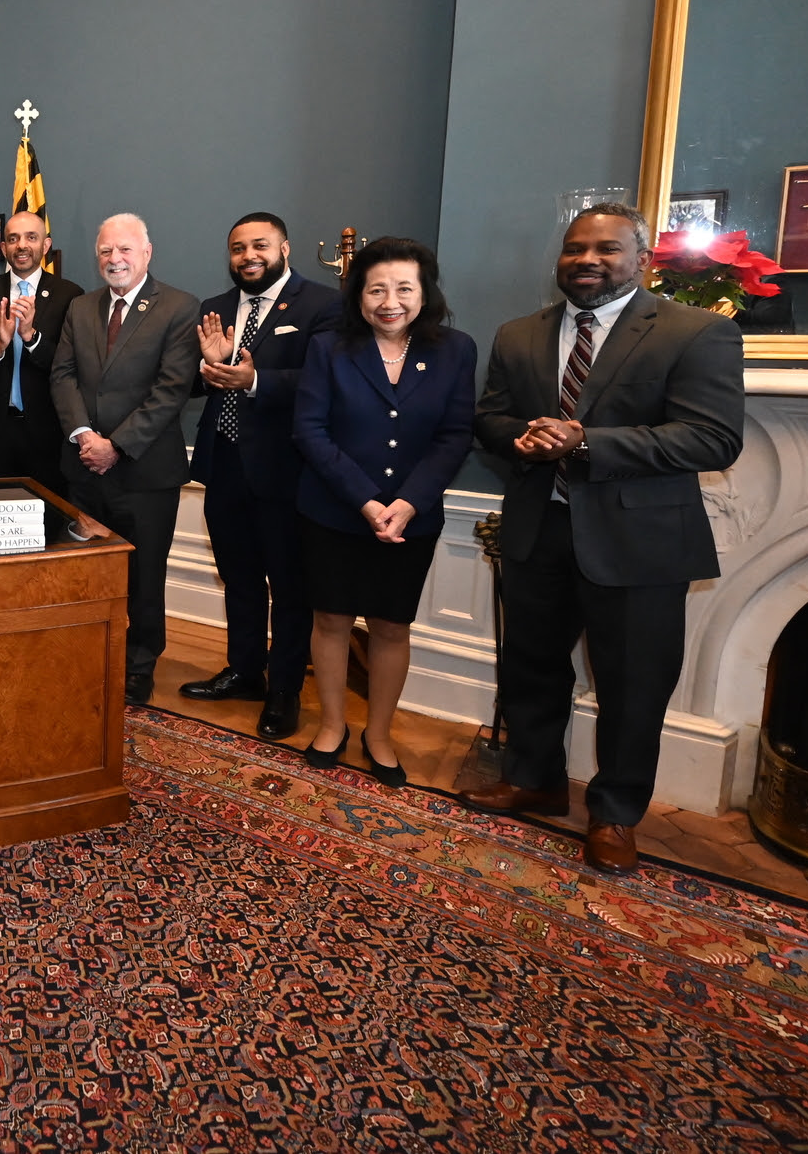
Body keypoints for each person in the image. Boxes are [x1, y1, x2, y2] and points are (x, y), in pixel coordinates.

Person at [463, 203, 744, 874]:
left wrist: (587, 439)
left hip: (637, 542)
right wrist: (524, 440)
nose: (587, 259)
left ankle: (616, 814)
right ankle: (535, 777)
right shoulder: (518, 334)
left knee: (632, 683)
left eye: (607, 248)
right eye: (574, 248)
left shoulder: (694, 332)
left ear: (641, 259)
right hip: (540, 527)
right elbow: (490, 419)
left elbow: (713, 436)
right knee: (531, 666)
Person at [290, 238, 476, 787]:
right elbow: (310, 431)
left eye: (403, 288)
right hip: (333, 512)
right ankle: (331, 725)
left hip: (411, 518)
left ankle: (379, 733)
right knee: (330, 619)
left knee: (392, 625)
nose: (389, 300)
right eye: (376, 289)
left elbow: (454, 434)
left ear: (425, 293)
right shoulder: (328, 348)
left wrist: (407, 503)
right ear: (359, 294)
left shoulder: (456, 349)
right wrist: (366, 501)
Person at [182, 212, 342, 739]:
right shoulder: (215, 309)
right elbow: (195, 382)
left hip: (287, 471)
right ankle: (245, 671)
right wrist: (210, 369)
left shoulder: (322, 304)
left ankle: (284, 691)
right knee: (239, 578)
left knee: (288, 587)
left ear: (285, 248)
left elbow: (329, 379)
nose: (248, 256)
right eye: (237, 248)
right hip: (223, 464)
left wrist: (256, 380)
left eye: (259, 246)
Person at [49, 214, 201, 706]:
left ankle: (138, 667)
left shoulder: (179, 308)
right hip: (84, 468)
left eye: (125, 250)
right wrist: (84, 436)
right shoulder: (80, 307)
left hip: (145, 472)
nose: (114, 259)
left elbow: (171, 389)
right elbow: (63, 375)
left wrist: (116, 444)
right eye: (105, 251)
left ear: (147, 252)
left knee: (144, 576)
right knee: (88, 572)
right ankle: (90, 652)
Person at [0, 210, 85, 493]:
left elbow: (73, 366)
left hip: (47, 433)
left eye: (31, 237)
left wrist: (31, 337)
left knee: (48, 525)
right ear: (4, 247)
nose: (22, 245)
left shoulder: (70, 296)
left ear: (45, 246)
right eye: (13, 239)